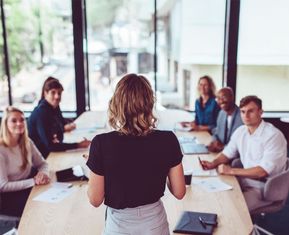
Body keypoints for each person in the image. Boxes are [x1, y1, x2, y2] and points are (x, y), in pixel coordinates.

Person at [86, 73, 186, 235]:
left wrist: (95, 166)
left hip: (119, 226)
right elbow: (179, 192)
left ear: (117, 103)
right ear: (149, 103)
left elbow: (95, 200)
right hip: (154, 224)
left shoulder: (101, 143)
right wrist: (163, 169)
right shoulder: (168, 140)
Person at [201, 96, 287, 212]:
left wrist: (231, 171)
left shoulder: (273, 136)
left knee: (231, 210)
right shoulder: (241, 131)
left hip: (264, 188)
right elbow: (227, 153)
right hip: (244, 180)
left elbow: (262, 171)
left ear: (260, 112)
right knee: (216, 198)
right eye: (243, 111)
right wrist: (213, 163)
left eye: (250, 111)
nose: (246, 116)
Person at [0, 107, 50, 217]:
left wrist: (43, 174)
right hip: (9, 197)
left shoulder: (27, 142)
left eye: (22, 119)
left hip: (28, 187)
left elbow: (43, 164)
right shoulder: (1, 150)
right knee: (40, 210)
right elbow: (2, 186)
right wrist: (33, 181)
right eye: (14, 120)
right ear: (6, 124)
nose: (19, 123)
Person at [28, 78, 90, 158]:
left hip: (47, 152)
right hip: (39, 157)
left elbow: (60, 129)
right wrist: (78, 145)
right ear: (45, 93)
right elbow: (50, 146)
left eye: (59, 93)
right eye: (53, 93)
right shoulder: (42, 112)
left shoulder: (53, 107)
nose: (57, 96)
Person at [207, 87, 243, 152]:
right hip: (220, 153)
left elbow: (241, 144)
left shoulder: (242, 116)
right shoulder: (221, 113)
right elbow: (216, 132)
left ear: (232, 97)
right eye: (218, 98)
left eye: (224, 97)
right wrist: (215, 141)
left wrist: (223, 147)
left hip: (234, 155)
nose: (221, 101)